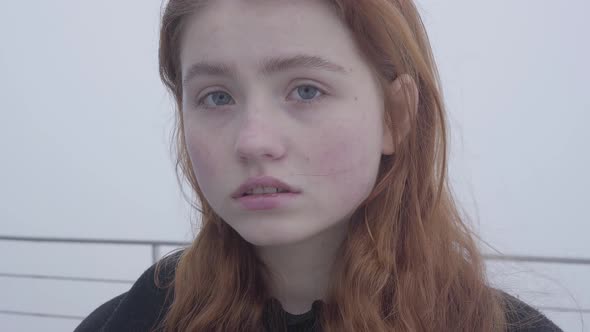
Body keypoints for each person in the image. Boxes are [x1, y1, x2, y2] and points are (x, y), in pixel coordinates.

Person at [76, 0, 563, 331]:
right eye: (217, 96)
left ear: (395, 117)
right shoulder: (136, 318)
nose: (253, 141)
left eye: (306, 90)